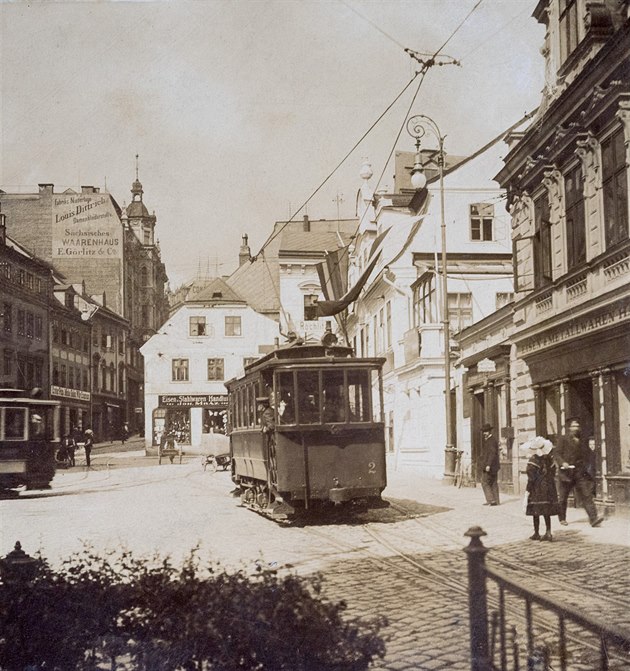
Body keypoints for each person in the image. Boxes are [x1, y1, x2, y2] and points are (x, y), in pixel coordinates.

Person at [554, 418, 603, 527]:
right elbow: (556, 454)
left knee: (586, 495)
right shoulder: (563, 439)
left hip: (579, 473)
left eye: (577, 426)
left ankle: (593, 519)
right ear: (569, 428)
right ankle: (562, 518)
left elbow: (585, 454)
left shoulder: (582, 440)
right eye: (574, 426)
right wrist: (563, 463)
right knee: (563, 497)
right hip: (565, 473)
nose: (576, 428)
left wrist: (584, 466)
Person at [525, 438, 559, 541]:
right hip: (549, 487)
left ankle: (536, 532)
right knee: (546, 510)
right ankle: (548, 532)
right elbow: (553, 472)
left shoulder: (533, 461)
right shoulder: (549, 459)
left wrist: (528, 490)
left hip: (537, 489)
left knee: (536, 510)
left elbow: (531, 478)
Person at [480, 423, 500, 506]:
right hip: (494, 466)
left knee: (484, 482)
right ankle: (496, 500)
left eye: (485, 431)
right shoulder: (491, 440)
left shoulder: (491, 441)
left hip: (490, 466)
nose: (484, 433)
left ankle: (491, 500)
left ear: (489, 431)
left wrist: (488, 465)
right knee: (493, 482)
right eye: (483, 432)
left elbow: (492, 453)